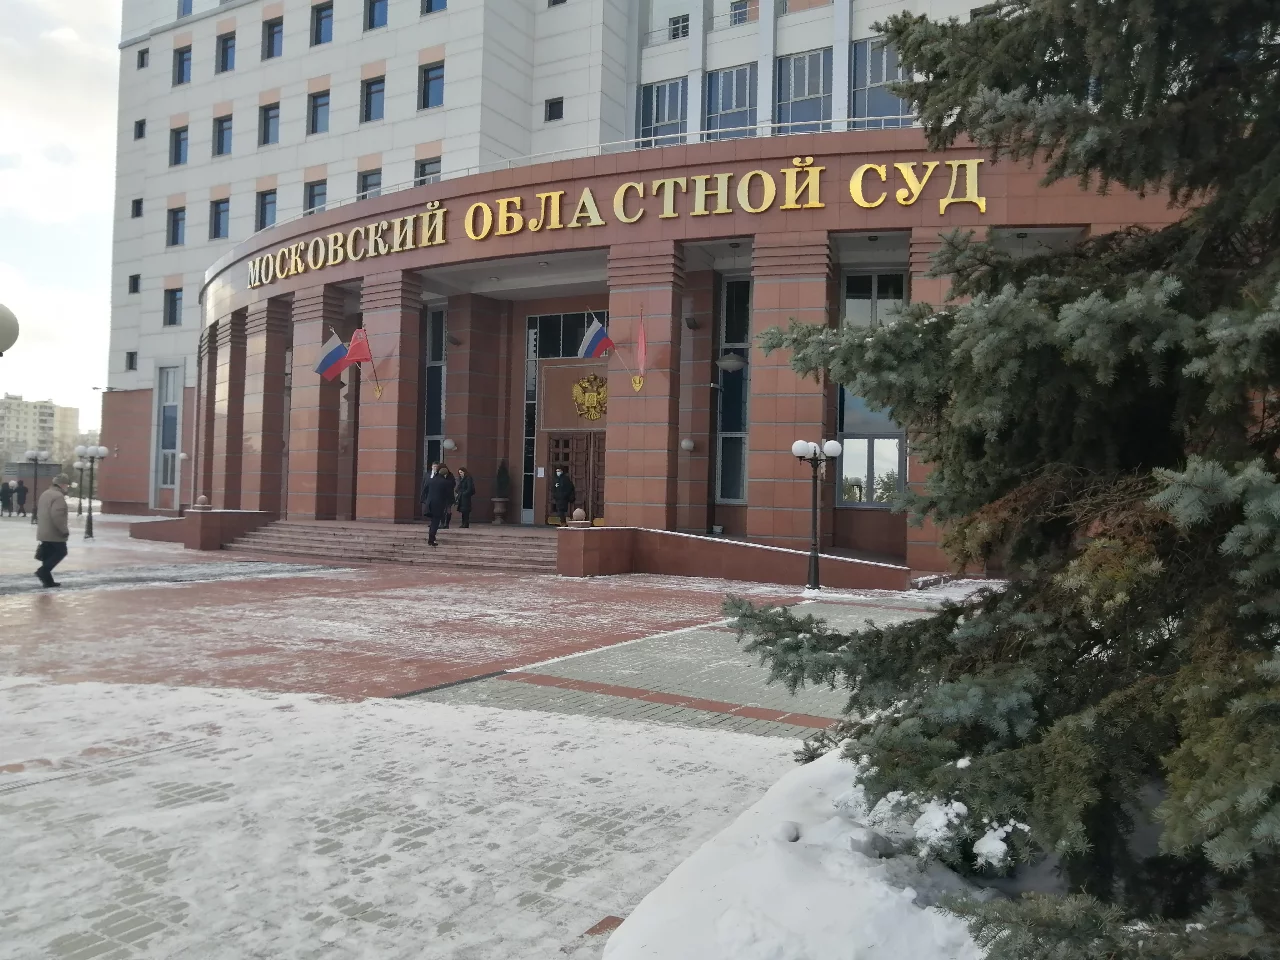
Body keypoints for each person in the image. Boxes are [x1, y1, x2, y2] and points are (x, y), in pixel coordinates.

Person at [35, 474, 70, 588]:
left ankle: (48, 581)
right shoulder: (58, 496)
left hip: (44, 530)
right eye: (66, 485)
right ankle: (43, 571)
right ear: (62, 484)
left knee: (48, 554)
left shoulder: (45, 493)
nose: (67, 487)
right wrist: (63, 530)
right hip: (54, 532)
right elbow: (57, 515)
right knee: (61, 551)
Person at [421, 465, 456, 547]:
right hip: (438, 504)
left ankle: (431, 538)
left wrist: (425, 500)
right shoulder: (446, 482)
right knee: (435, 522)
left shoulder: (431, 480)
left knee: (433, 521)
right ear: (445, 475)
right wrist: (451, 502)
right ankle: (431, 539)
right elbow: (449, 494)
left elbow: (425, 490)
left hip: (429, 503)